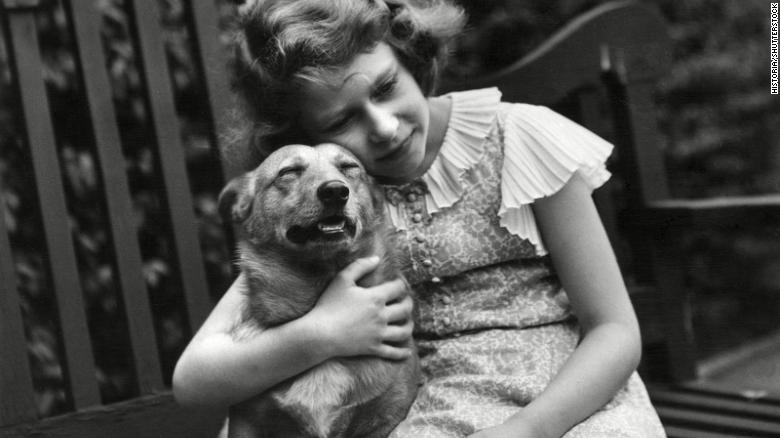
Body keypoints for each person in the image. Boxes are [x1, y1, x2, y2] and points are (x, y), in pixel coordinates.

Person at [172, 0, 667, 436]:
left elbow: (615, 330)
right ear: (304, 133)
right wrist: (321, 332)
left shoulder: (518, 139)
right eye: (342, 121)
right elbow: (195, 376)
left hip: (569, 398)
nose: (384, 128)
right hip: (432, 408)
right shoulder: (334, 205)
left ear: (411, 58)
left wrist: (529, 429)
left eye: (386, 87)